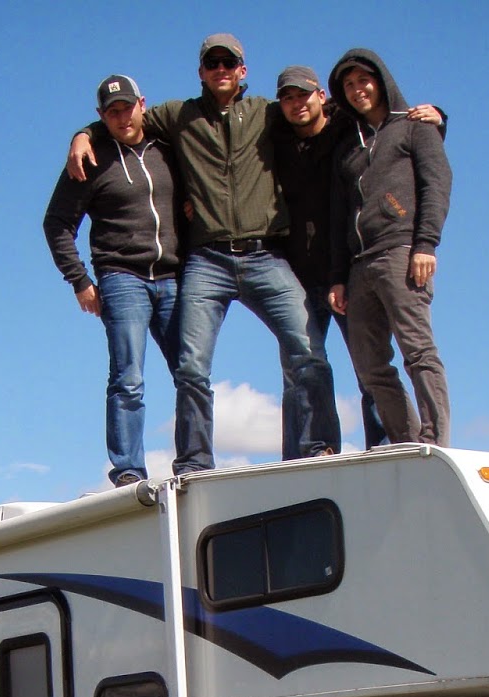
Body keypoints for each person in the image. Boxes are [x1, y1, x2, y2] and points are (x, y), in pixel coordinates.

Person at [70, 35, 339, 473]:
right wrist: (83, 134)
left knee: (308, 350)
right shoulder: (179, 115)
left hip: (265, 256)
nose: (221, 70)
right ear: (201, 72)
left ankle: (317, 447)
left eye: (228, 63)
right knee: (191, 367)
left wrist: (419, 117)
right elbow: (125, 119)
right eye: (212, 63)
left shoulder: (268, 113)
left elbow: (326, 112)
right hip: (207, 261)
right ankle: (194, 462)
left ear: (242, 70)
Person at [273, 67, 445, 453]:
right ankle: (313, 452)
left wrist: (438, 117)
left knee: (384, 360)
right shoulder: (277, 135)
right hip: (304, 271)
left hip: (365, 260)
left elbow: (420, 162)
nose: (297, 104)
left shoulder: (348, 128)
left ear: (321, 96)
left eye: (304, 95)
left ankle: (391, 445)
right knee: (308, 367)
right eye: (288, 98)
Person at [43, 74, 183, 487]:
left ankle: (195, 461)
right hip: (122, 279)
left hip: (174, 275)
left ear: (143, 104)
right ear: (101, 116)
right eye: (112, 112)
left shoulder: (168, 146)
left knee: (191, 372)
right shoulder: (90, 158)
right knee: (128, 377)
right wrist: (79, 280)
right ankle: (128, 470)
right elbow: (56, 222)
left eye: (128, 108)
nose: (123, 118)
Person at [328, 49, 454, 447]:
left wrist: (426, 244)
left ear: (381, 81)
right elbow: (340, 213)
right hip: (359, 264)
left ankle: (435, 440)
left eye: (363, 80)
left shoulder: (415, 126)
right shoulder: (349, 146)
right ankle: (406, 441)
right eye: (349, 85)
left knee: (417, 350)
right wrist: (338, 277)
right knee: (370, 367)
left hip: (402, 251)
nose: (357, 90)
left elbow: (437, 185)